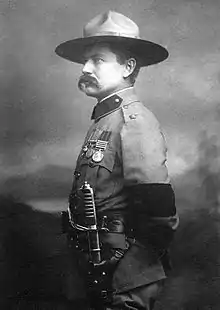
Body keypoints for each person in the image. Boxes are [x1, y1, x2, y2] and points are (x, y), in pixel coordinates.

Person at [56, 11, 179, 310]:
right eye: (86, 60)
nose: (85, 67)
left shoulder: (133, 122)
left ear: (128, 66)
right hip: (96, 266)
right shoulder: (105, 120)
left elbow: (159, 215)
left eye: (97, 59)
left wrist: (125, 274)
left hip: (123, 279)